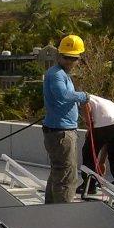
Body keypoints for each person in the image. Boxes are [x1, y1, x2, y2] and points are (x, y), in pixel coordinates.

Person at [42, 34, 89, 204]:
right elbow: (63, 95)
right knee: (67, 177)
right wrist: (83, 96)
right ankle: (63, 215)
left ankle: (50, 212)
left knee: (58, 173)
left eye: (73, 58)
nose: (70, 61)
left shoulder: (61, 74)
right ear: (59, 55)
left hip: (60, 131)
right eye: (66, 57)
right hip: (61, 133)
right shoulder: (56, 75)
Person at [77, 95, 114, 194]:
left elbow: (85, 105)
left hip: (106, 123)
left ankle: (89, 185)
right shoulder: (101, 102)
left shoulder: (82, 97)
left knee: (88, 153)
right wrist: (102, 162)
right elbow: (107, 139)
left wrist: (89, 126)